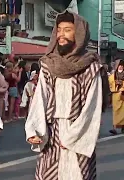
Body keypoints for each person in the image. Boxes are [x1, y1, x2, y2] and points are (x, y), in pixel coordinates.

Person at [25, 11, 102, 179]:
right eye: (59, 29)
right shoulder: (48, 65)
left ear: (79, 33)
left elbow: (92, 107)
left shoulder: (90, 67)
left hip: (76, 134)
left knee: (77, 173)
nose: (61, 34)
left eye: (67, 30)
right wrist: (34, 130)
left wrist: (73, 138)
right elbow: (40, 99)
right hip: (51, 135)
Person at [108, 59, 124, 135]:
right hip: (115, 96)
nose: (121, 67)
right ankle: (114, 128)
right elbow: (109, 85)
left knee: (123, 112)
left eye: (122, 66)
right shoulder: (112, 76)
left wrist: (122, 88)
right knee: (116, 112)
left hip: (123, 95)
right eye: (119, 66)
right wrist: (115, 84)